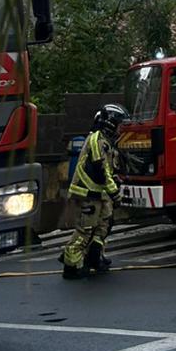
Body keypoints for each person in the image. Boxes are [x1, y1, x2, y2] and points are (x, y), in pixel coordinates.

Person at [62, 104, 129, 279]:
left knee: (104, 224)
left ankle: (94, 256)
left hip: (98, 192)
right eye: (119, 124)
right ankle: (71, 265)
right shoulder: (97, 139)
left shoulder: (107, 141)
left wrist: (117, 181)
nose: (121, 128)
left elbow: (110, 170)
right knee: (85, 229)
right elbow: (101, 169)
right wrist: (115, 192)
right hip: (87, 192)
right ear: (110, 123)